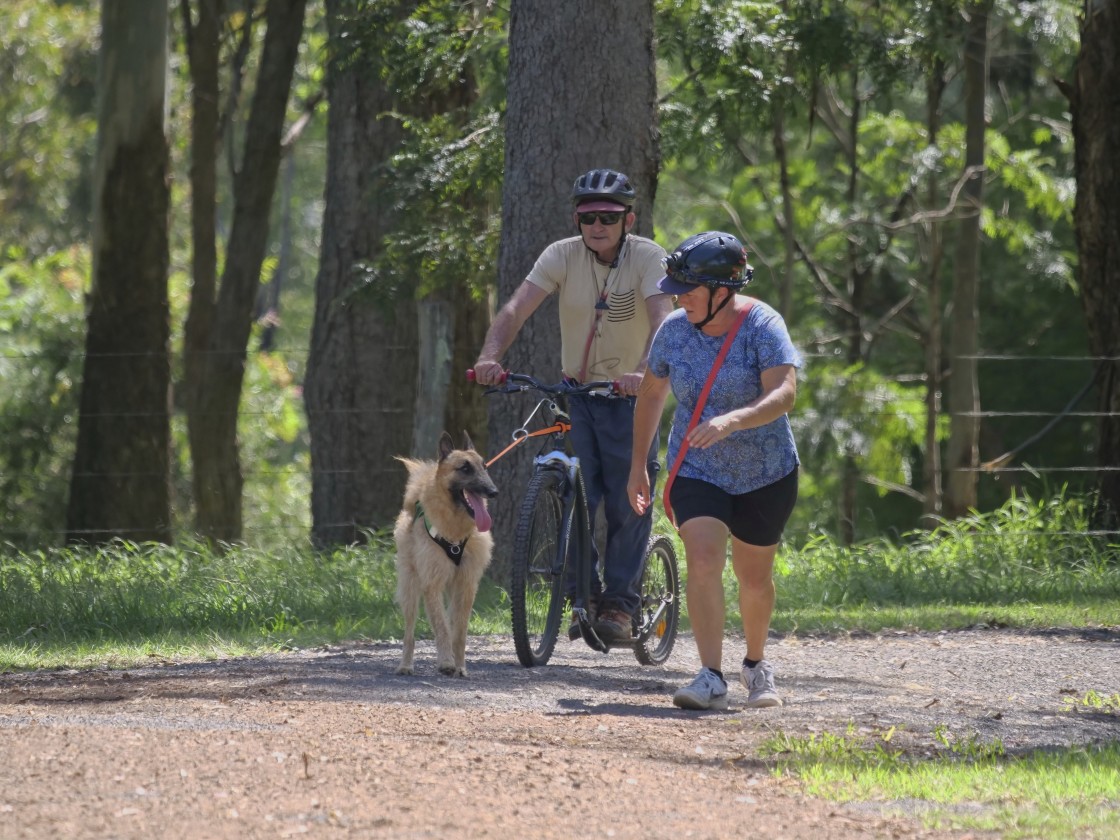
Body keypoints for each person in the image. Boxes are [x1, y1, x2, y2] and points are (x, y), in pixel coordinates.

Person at [473, 168, 674, 643]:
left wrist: (644, 371)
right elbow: (516, 309)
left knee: (630, 502)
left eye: (609, 216)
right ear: (577, 220)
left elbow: (663, 320)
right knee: (573, 495)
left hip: (629, 400)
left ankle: (621, 606)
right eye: (588, 217)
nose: (597, 225)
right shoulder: (560, 256)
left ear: (629, 219)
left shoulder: (649, 257)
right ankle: (583, 595)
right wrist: (489, 357)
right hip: (577, 396)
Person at [626, 231, 801, 710]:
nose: (677, 297)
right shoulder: (674, 331)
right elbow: (652, 396)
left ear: (722, 291)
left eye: (687, 288)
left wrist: (733, 419)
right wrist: (638, 465)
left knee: (754, 578)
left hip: (766, 471)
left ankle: (756, 663)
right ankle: (710, 675)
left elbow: (785, 392)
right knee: (703, 559)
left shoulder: (762, 324)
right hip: (698, 466)